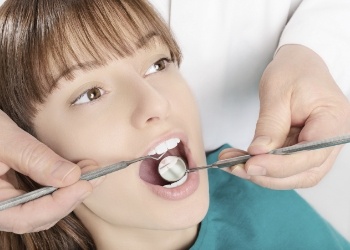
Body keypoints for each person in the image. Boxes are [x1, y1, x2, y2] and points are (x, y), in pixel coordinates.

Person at [0, 0, 350, 249]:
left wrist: (312, 53)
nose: (155, 102)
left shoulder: (267, 211)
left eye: (158, 63)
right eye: (91, 94)